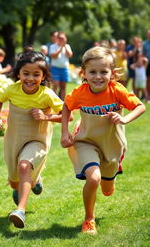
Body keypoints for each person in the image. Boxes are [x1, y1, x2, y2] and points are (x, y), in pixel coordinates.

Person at [60, 46, 146, 235]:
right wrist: (64, 132)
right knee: (93, 178)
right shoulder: (80, 92)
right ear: (83, 73)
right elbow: (66, 106)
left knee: (106, 187)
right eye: (92, 72)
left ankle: (111, 178)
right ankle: (89, 219)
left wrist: (124, 119)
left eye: (103, 72)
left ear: (112, 73)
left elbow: (140, 106)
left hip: (112, 145)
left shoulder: (116, 90)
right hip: (86, 142)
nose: (98, 76)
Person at [0, 49, 64, 228]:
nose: (30, 78)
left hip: (37, 139)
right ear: (18, 74)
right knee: (14, 180)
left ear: (43, 76)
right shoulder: (11, 90)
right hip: (13, 139)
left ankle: (20, 211)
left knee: (24, 166)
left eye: (36, 74)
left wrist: (46, 116)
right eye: (26, 73)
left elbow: (66, 115)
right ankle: (34, 181)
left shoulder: (46, 94)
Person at [49, 31, 73, 100]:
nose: (61, 39)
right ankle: (53, 101)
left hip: (64, 69)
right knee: (55, 86)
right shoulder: (53, 46)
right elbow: (53, 56)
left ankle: (62, 103)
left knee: (63, 88)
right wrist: (60, 47)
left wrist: (64, 46)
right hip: (55, 68)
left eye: (63, 38)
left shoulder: (67, 46)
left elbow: (70, 55)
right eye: (60, 38)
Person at [143, 29, 150, 99]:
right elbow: (143, 54)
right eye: (148, 34)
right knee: (147, 79)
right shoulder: (145, 43)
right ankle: (147, 95)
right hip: (148, 63)